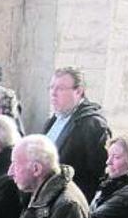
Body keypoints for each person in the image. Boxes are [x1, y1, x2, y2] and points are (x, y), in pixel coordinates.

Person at [43, 66, 111, 201]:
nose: (53, 93)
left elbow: (98, 174)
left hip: (69, 201)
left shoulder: (93, 125)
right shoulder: (53, 120)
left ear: (78, 91)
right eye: (51, 87)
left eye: (60, 88)